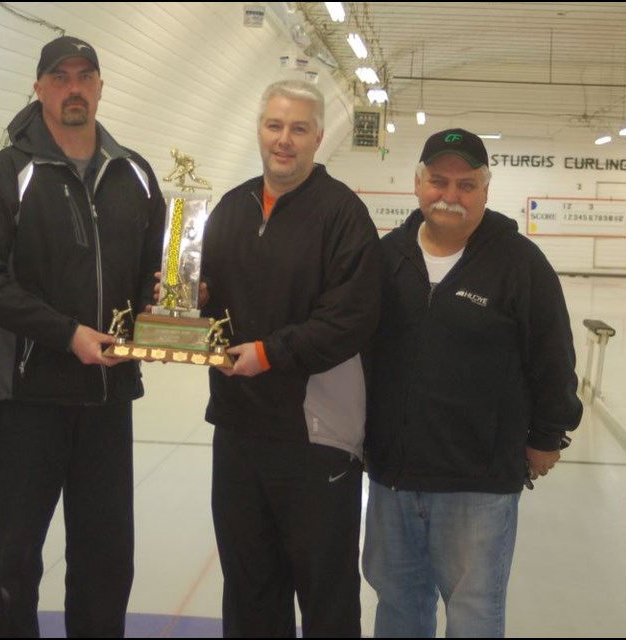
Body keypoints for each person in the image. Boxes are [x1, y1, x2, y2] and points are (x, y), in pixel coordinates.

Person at [0, 35, 165, 637]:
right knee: (18, 560)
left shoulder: (137, 174)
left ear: (100, 86)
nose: (74, 88)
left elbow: (154, 277)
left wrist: (175, 303)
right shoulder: (6, 173)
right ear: (39, 88)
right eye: (60, 77)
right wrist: (64, 333)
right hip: (28, 400)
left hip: (108, 398)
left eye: (85, 76)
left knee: (106, 560)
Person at [362, 128, 584, 637]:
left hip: (478, 484)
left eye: (466, 185)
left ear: (486, 190)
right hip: (393, 478)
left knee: (474, 615)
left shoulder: (520, 265)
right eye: (439, 181)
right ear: (417, 184)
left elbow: (553, 359)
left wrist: (548, 436)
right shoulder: (385, 258)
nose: (451, 196)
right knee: (397, 608)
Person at [200, 79, 382, 637]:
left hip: (314, 436)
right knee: (249, 586)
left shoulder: (343, 216)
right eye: (274, 126)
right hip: (238, 429)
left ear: (319, 137)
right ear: (259, 130)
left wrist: (269, 354)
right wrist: (190, 302)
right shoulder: (231, 208)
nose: (285, 140)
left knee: (324, 592)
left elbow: (348, 321)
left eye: (299, 129)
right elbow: (209, 305)